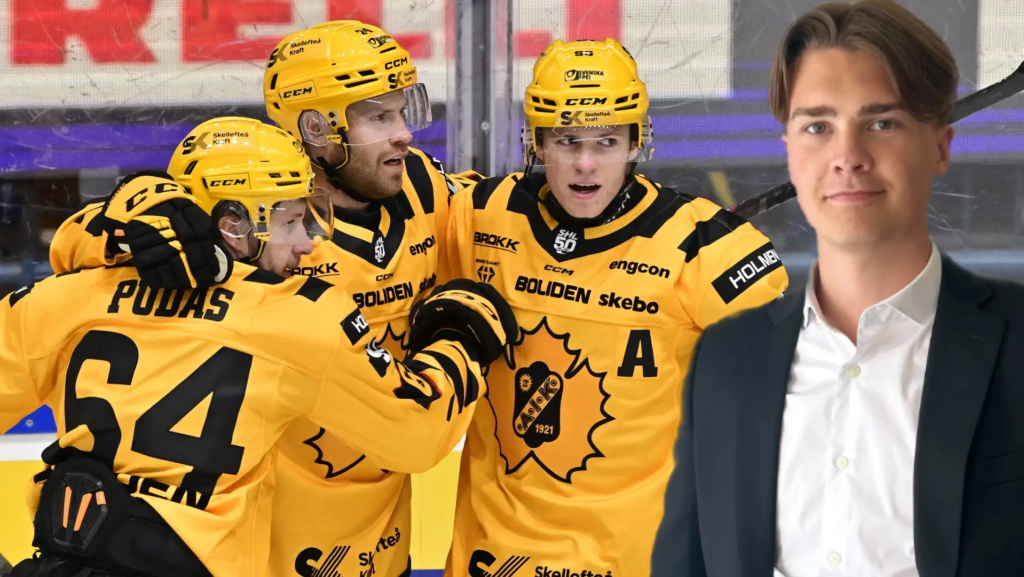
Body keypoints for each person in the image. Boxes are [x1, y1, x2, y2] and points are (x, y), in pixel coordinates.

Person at [48, 21, 481, 577]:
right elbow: (83, 250)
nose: (405, 135)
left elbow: (511, 216)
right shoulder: (253, 221)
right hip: (264, 543)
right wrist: (129, 214)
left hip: (381, 536)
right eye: (379, 117)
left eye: (403, 111)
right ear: (317, 129)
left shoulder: (423, 185)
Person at [651, 1, 1024, 575]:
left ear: (941, 146)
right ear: (790, 152)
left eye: (882, 123)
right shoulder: (724, 362)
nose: (847, 157)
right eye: (818, 127)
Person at [442, 38, 789, 577]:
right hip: (495, 556)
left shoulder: (703, 249)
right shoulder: (481, 216)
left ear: (635, 141)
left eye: (606, 141)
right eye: (567, 140)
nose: (585, 165)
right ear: (536, 140)